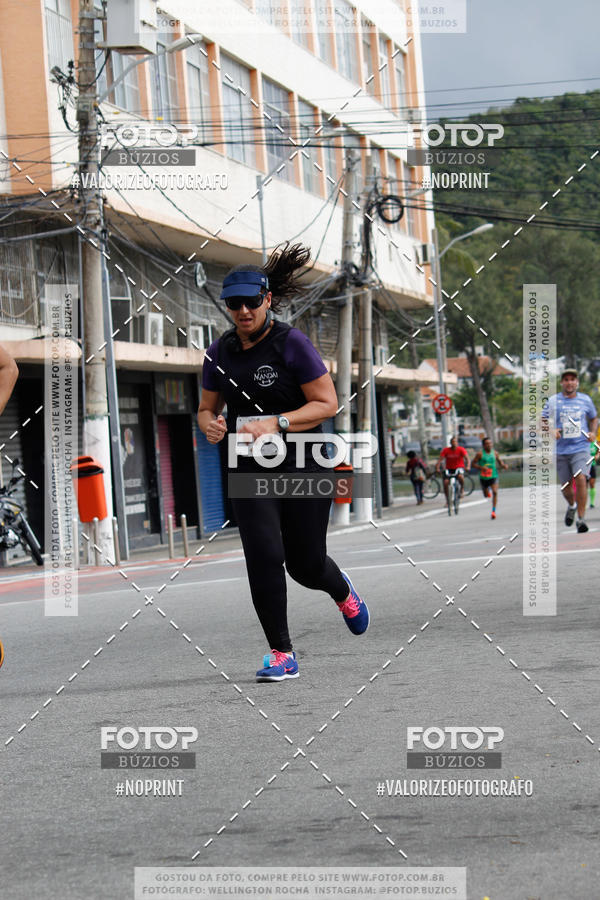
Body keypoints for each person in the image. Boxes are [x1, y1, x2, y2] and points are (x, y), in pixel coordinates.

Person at [197, 243, 369, 683]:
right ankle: (281, 653)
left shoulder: (291, 343)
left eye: (251, 302)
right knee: (264, 556)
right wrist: (211, 426)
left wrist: (278, 422)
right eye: (234, 304)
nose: (242, 310)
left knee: (305, 565)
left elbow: (327, 403)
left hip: (305, 462)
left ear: (267, 299)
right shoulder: (219, 353)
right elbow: (206, 409)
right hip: (249, 464)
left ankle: (342, 590)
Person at [541, 368, 598, 533]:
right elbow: (542, 420)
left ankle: (581, 519)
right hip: (561, 450)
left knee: (581, 479)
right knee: (566, 487)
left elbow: (593, 418)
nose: (569, 382)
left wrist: (593, 432)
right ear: (562, 383)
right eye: (566, 380)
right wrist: (551, 430)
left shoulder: (585, 400)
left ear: (577, 382)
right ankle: (572, 506)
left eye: (572, 379)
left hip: (581, 447)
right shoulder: (553, 401)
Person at [471, 436, 508, 519]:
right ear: (483, 445)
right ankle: (486, 490)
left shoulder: (495, 453)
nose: (489, 445)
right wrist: (481, 467)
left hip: (493, 476)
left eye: (490, 443)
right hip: (483, 477)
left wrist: (503, 465)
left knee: (495, 492)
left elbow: (500, 462)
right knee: (486, 495)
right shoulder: (480, 454)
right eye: (487, 444)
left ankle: (493, 511)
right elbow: (473, 464)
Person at [435, 436, 470, 507]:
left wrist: (468, 466)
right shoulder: (446, 450)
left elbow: (467, 459)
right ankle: (448, 501)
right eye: (453, 442)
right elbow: (440, 460)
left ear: (457, 443)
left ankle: (462, 489)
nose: (454, 443)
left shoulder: (461, 449)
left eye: (455, 442)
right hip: (449, 469)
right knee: (446, 482)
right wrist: (437, 467)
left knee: (460, 477)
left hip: (459, 468)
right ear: (450, 443)